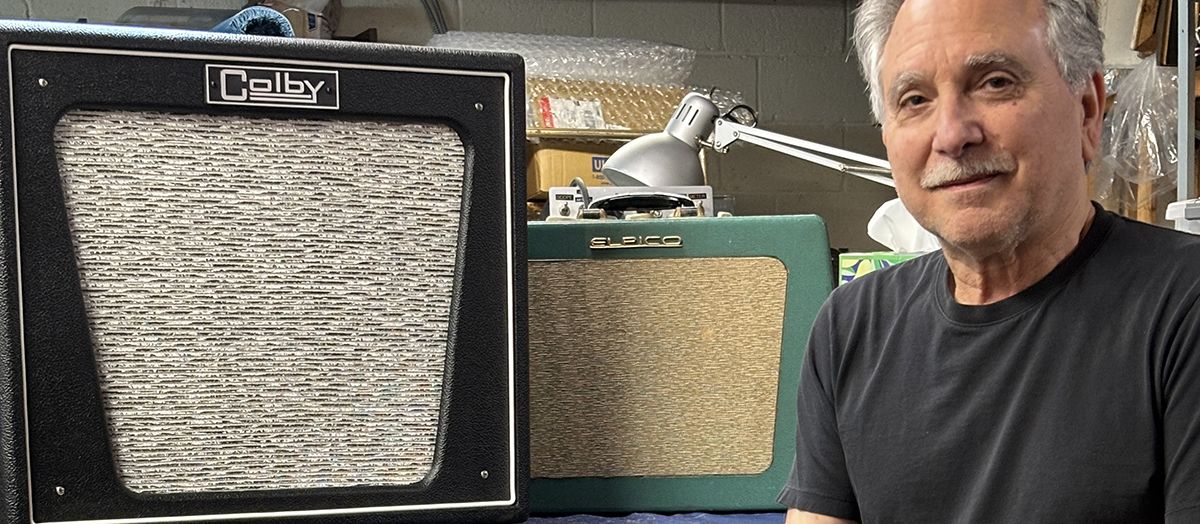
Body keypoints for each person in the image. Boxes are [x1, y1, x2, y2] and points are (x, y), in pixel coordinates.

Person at [779, 0, 1200, 521]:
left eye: (996, 82)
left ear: (1087, 108)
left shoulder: (1183, 307)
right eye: (914, 99)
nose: (952, 135)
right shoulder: (851, 327)